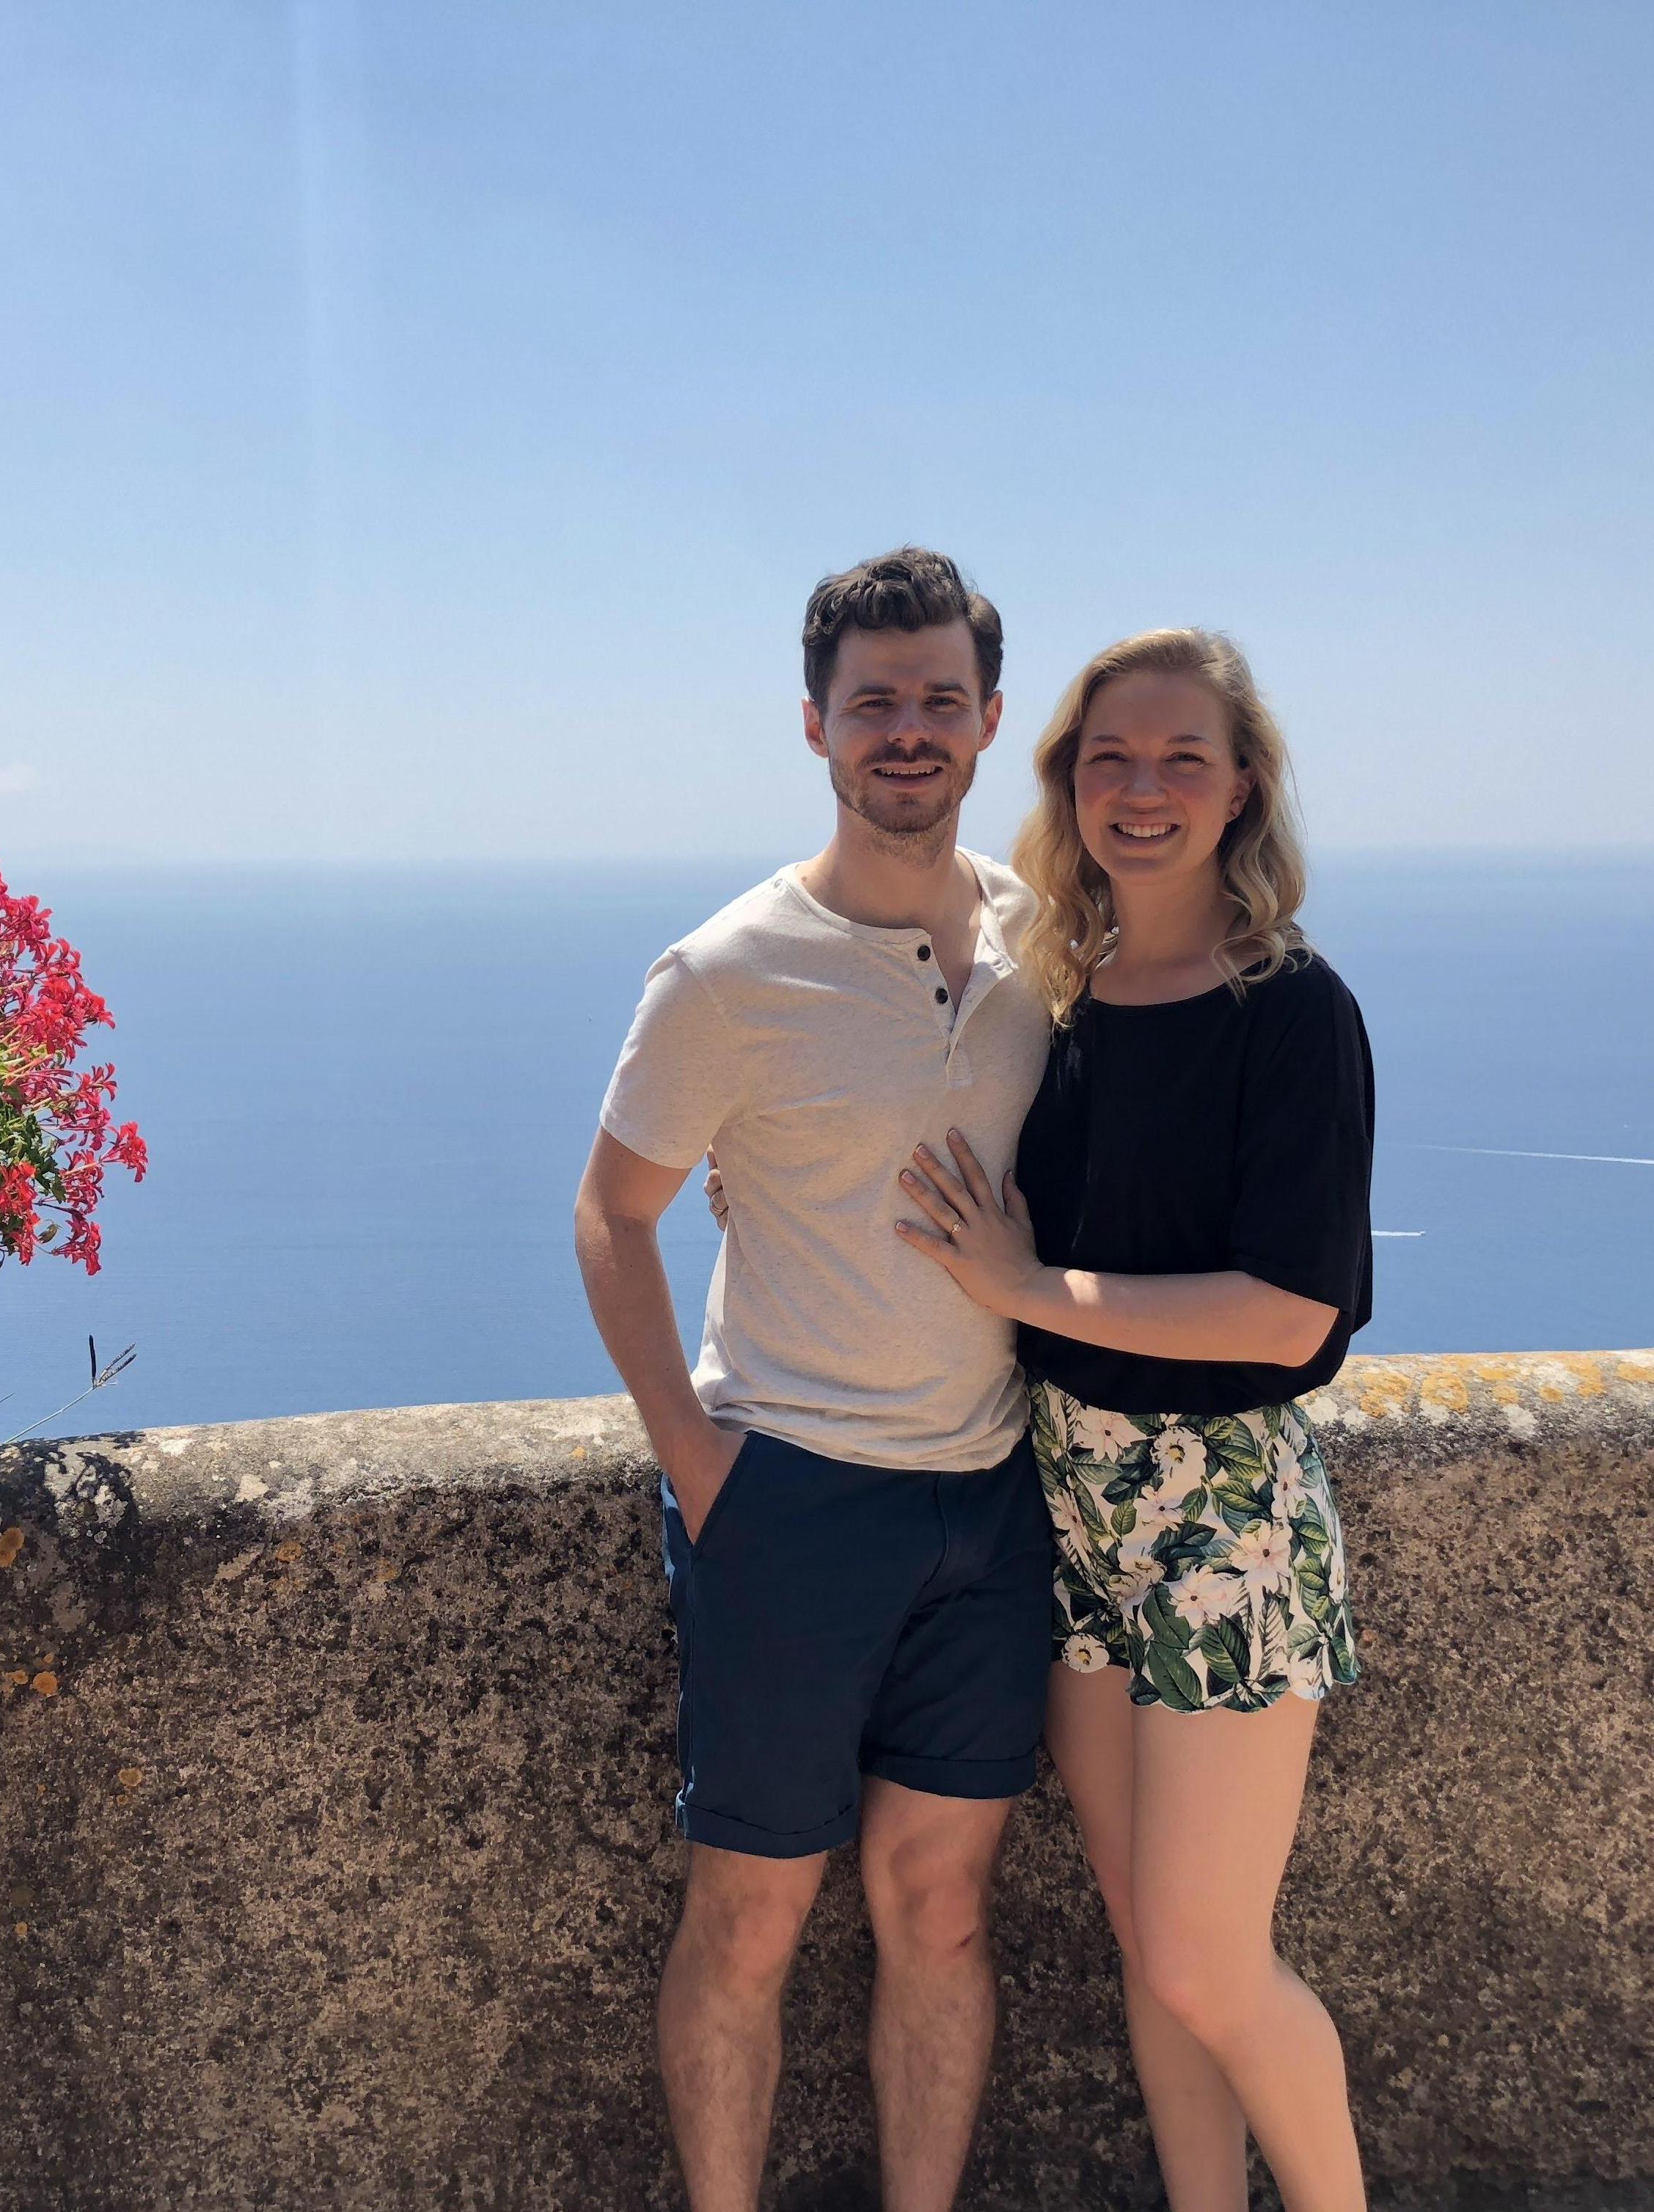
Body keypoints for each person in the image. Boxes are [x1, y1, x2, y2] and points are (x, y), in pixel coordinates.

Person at [574, 546, 1055, 2212]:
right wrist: (699, 1462)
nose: (905, 732)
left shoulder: (1035, 939)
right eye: (874, 703)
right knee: (749, 1914)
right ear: (814, 725)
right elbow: (608, 1214)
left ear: (989, 718)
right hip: (790, 1497)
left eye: (937, 699)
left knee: (941, 1908)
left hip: (990, 1505)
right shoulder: (721, 973)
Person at [886, 629, 1374, 2211]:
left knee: (1204, 1958)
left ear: (1240, 790)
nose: (1141, 789)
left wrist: (1029, 1287)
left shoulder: (1290, 1008)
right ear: (1066, 781)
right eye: (1110, 757)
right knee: (1142, 1944)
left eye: (1182, 758)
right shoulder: (1065, 998)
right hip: (1077, 1508)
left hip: (1221, 1513)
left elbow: (1285, 1311)